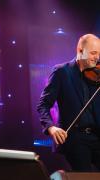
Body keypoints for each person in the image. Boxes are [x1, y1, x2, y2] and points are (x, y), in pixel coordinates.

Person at [37, 34, 100, 172]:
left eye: (99, 54)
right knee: (85, 175)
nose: (97, 58)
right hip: (75, 137)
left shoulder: (97, 75)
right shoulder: (62, 72)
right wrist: (51, 128)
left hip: (97, 135)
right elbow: (43, 104)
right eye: (94, 53)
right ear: (80, 50)